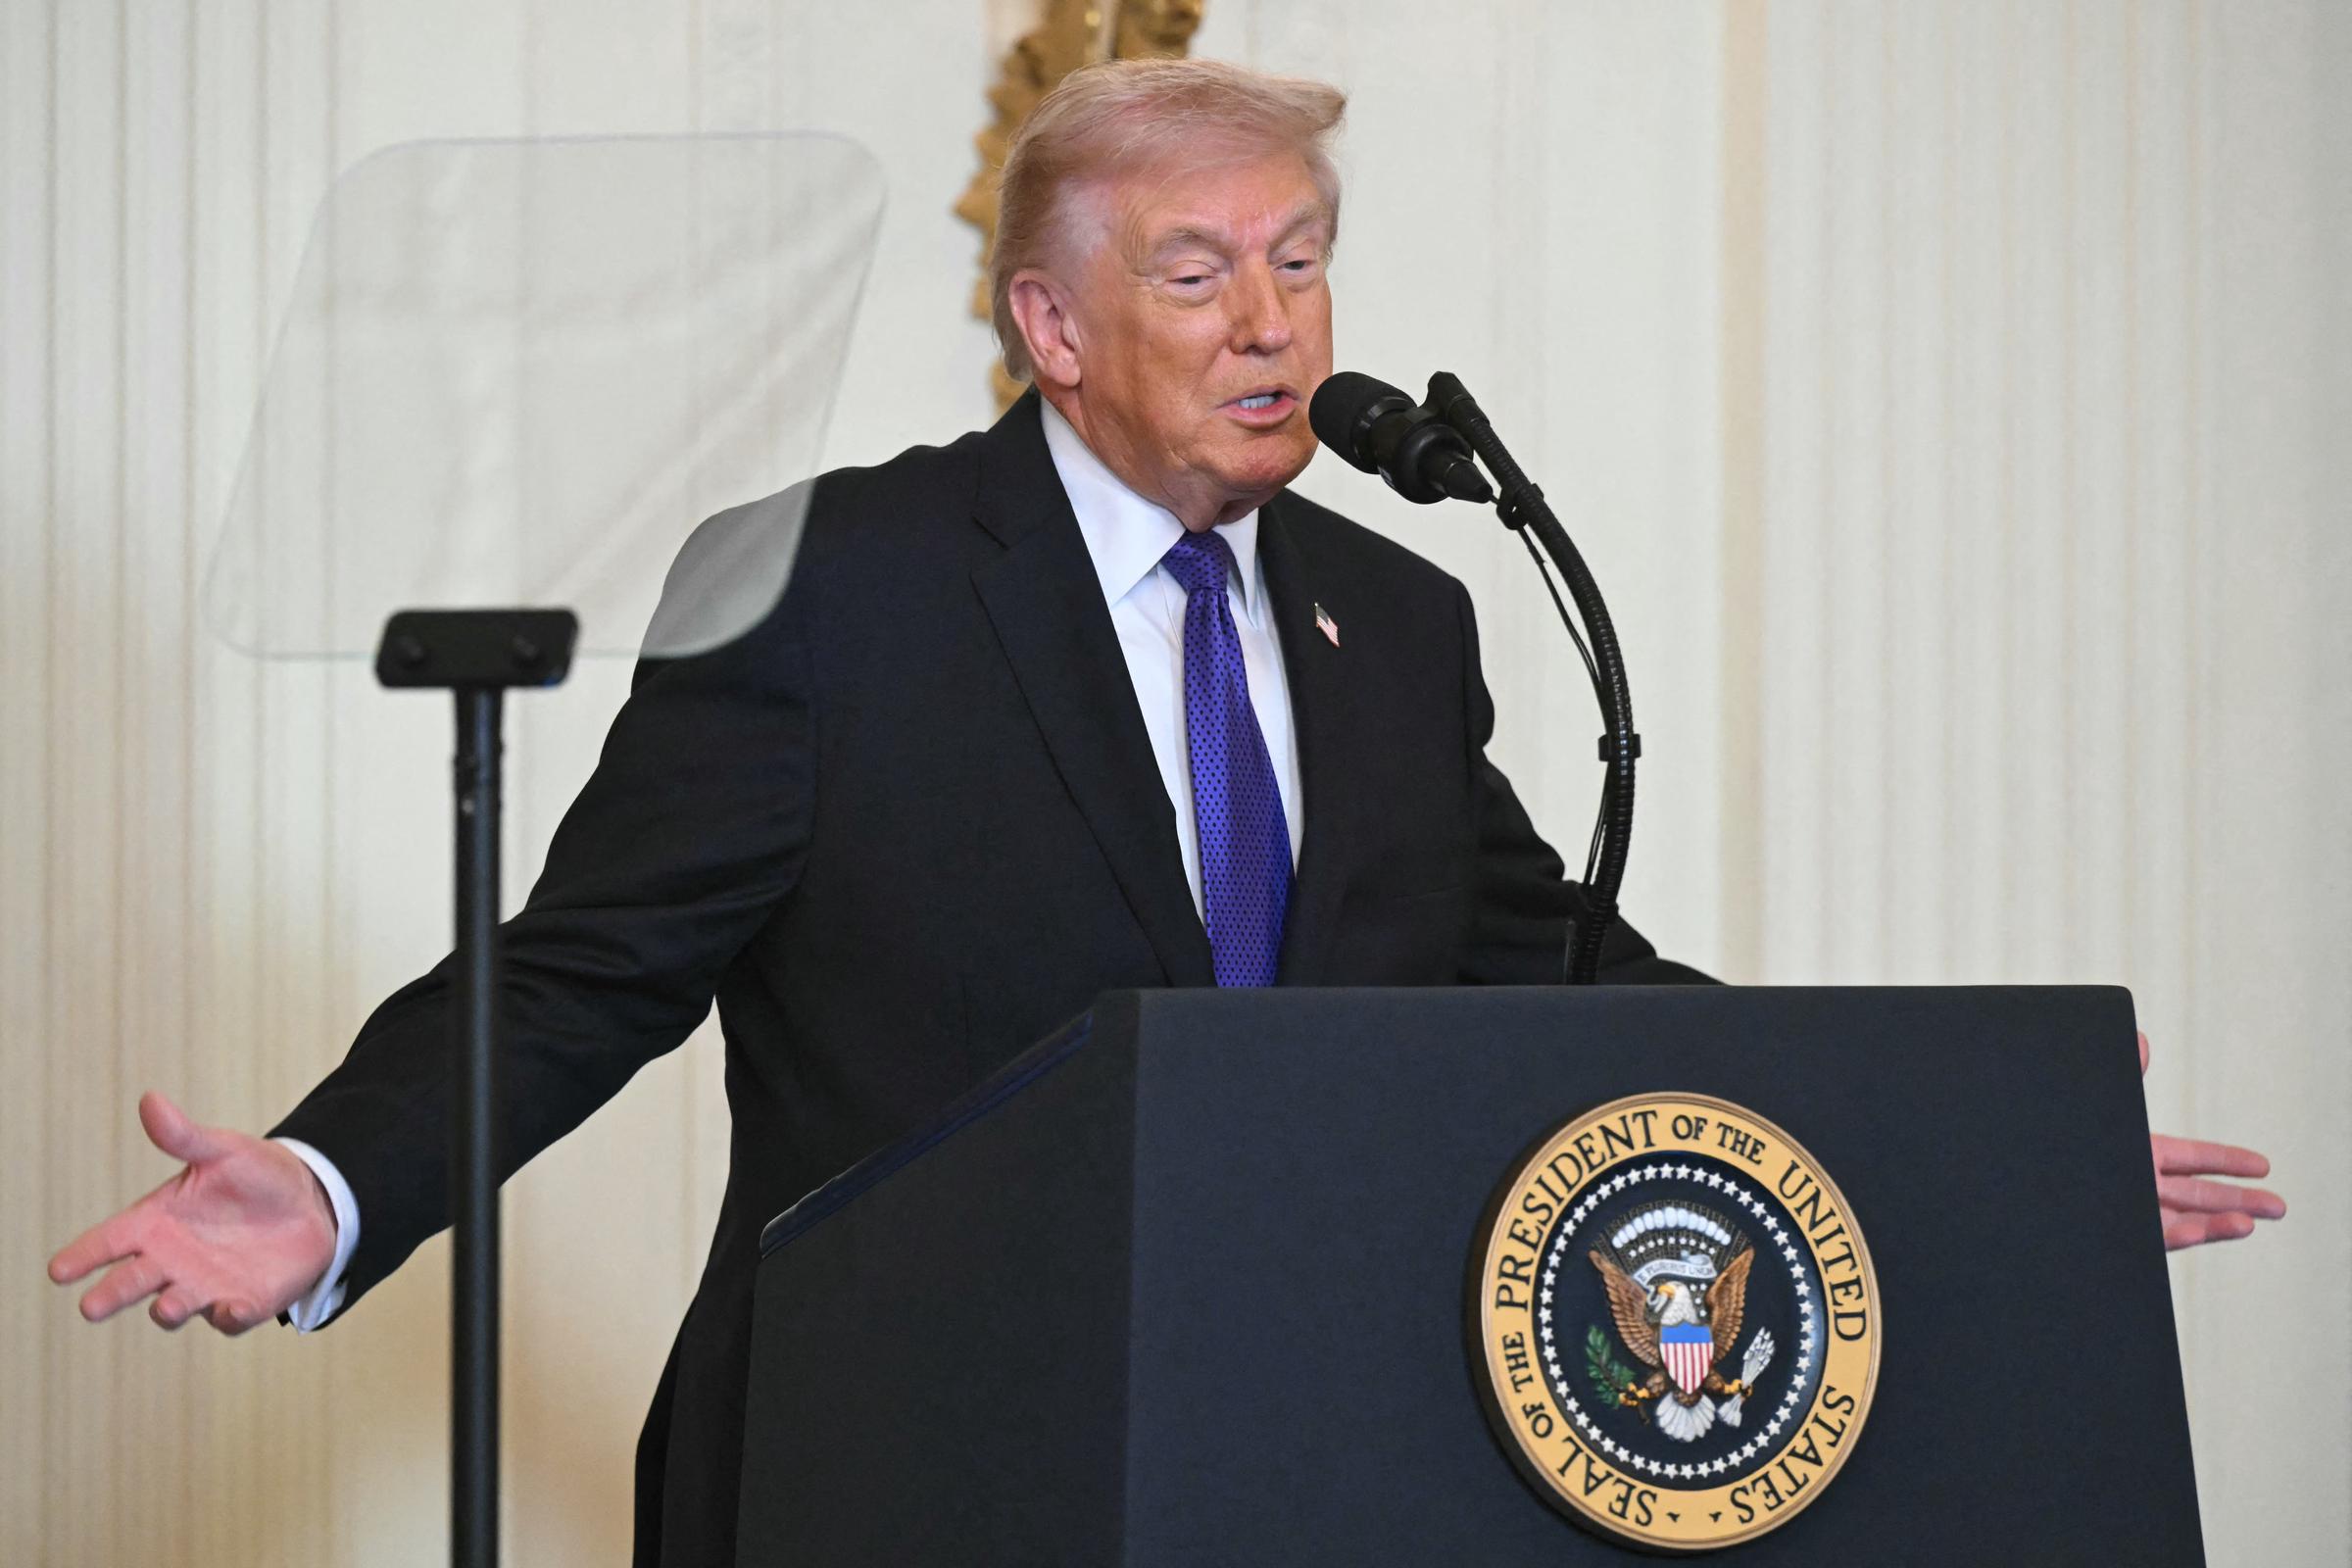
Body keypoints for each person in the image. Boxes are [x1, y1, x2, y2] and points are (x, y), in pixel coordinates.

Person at [46, 58, 2283, 1566]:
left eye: (1300, 259)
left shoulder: (1395, 624)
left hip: (1308, 1470)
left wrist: (1965, 1147)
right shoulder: (831, 583)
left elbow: (1561, 976)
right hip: (895, 1470)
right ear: (1052, 324)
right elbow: (584, 972)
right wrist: (334, 1180)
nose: (1269, 321)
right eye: (1198, 273)